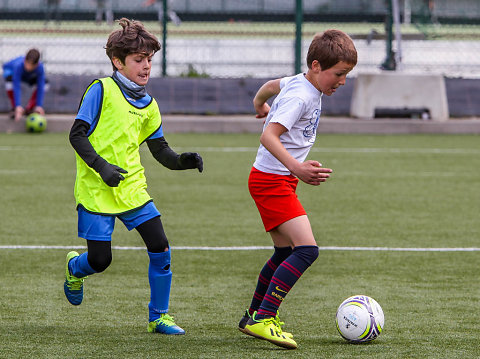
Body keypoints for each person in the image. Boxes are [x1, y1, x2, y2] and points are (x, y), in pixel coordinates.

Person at [63, 18, 203, 335]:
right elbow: (77, 135)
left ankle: (159, 317)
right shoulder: (101, 90)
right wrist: (102, 167)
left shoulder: (149, 105)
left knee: (161, 247)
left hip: (133, 190)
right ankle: (75, 268)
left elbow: (161, 152)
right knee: (100, 261)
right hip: (97, 190)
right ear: (118, 61)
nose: (146, 66)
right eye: (139, 60)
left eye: (149, 60)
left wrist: (184, 160)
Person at [238, 29, 358, 349]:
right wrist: (298, 167)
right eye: (339, 74)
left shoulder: (298, 82)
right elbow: (268, 137)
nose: (342, 81)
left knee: (285, 252)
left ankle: (253, 316)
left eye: (346, 74)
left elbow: (268, 87)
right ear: (317, 66)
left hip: (276, 178)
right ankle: (265, 318)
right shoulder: (300, 95)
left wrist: (259, 104)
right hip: (272, 181)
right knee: (307, 250)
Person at [2, 48, 47, 122]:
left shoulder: (40, 67)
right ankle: (15, 108)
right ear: (24, 60)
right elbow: (16, 86)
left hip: (27, 76)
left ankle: (30, 108)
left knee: (45, 84)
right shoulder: (18, 65)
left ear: (36, 64)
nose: (28, 67)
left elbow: (41, 86)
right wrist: (18, 105)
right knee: (9, 81)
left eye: (31, 65)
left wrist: (39, 105)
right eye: (27, 63)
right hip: (11, 72)